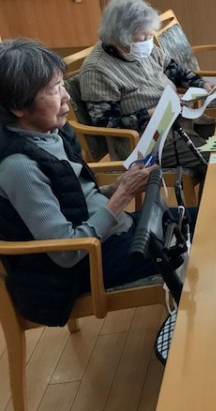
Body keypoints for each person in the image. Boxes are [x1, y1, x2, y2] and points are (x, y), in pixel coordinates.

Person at [0, 38, 180, 327]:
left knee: (200, 221)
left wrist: (115, 187)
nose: (66, 98)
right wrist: (121, 197)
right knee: (190, 247)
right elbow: (67, 252)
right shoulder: (19, 166)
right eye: (54, 89)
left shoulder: (52, 132)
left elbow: (74, 196)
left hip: (107, 234)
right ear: (17, 106)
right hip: (75, 270)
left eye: (62, 85)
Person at [78, 0, 215, 181]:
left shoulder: (141, 48)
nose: (149, 39)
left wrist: (201, 83)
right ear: (122, 35)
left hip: (179, 123)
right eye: (144, 35)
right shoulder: (97, 70)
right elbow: (106, 123)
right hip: (147, 143)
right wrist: (149, 114)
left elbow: (172, 68)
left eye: (151, 34)